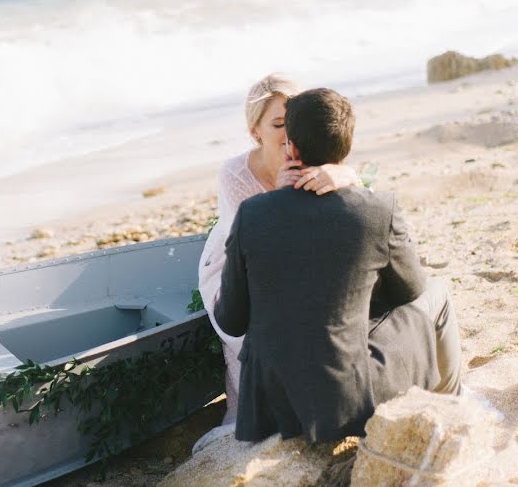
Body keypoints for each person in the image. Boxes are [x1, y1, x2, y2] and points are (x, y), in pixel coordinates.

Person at [214, 88, 462, 442]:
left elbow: (230, 320)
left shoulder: (252, 214)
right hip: (347, 397)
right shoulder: (378, 208)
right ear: (347, 145)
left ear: (292, 149)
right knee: (436, 293)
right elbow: (412, 289)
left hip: (269, 405)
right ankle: (451, 407)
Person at [198, 74, 359, 425]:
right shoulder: (234, 175)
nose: (290, 133)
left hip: (297, 266)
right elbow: (253, 249)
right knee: (261, 336)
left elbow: (359, 200)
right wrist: (280, 200)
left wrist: (340, 176)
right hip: (236, 268)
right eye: (278, 124)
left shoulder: (314, 151)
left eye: (295, 121)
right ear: (256, 132)